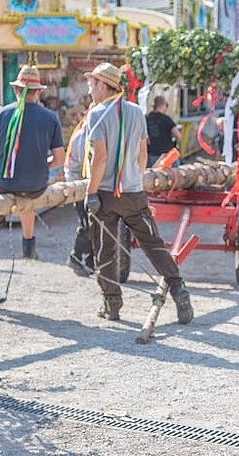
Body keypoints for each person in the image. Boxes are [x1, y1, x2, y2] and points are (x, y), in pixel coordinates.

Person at [82, 63, 193, 323]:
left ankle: (112, 305)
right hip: (133, 193)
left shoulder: (96, 114)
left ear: (101, 84)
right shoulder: (136, 111)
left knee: (105, 251)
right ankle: (178, 288)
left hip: (106, 194)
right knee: (153, 244)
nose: (89, 89)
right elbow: (143, 154)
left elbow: (100, 158)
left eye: (91, 84)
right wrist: (135, 180)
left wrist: (91, 192)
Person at [0, 65, 65, 315]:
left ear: (16, 89)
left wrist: (4, 167)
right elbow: (59, 160)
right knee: (27, 198)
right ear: (37, 91)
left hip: (4, 184)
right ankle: (28, 243)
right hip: (36, 187)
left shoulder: (2, 114)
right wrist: (40, 168)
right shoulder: (51, 118)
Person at [65, 109, 93, 276]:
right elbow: (71, 167)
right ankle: (75, 257)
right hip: (82, 188)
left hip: (96, 188)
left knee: (95, 225)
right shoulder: (79, 138)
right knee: (86, 224)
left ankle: (91, 259)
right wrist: (78, 189)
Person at [146, 95, 181, 167]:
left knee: (156, 176)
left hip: (153, 153)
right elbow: (177, 135)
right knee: (175, 175)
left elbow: (146, 139)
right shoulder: (166, 119)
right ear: (163, 105)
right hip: (168, 154)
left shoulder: (147, 119)